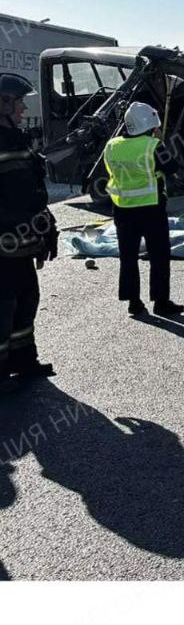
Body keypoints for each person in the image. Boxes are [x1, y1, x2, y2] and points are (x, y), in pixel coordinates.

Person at [0, 73, 58, 391]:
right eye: (19, 102)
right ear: (3, 104)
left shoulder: (17, 142)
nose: (24, 109)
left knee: (26, 300)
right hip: (3, 247)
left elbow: (33, 193)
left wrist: (47, 224)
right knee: (3, 307)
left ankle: (22, 361)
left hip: (21, 245)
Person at [103, 102, 184, 318]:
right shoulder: (153, 146)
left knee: (128, 257)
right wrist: (161, 142)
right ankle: (161, 302)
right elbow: (172, 168)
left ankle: (133, 302)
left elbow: (112, 171)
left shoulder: (111, 145)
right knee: (159, 255)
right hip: (151, 207)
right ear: (150, 125)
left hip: (122, 208)